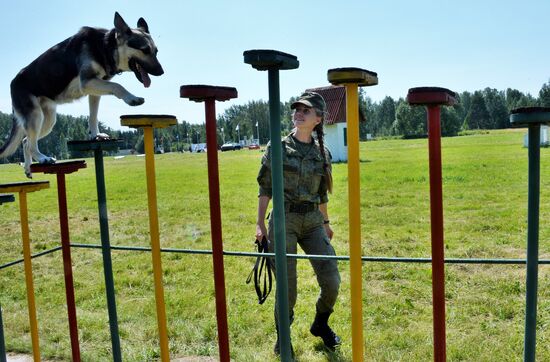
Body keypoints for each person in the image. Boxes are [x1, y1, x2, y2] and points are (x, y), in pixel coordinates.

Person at [255, 91, 341, 355]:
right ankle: (284, 338)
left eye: (306, 110)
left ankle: (321, 323)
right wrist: (260, 224)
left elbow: (322, 192)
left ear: (318, 119)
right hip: (285, 219)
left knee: (332, 280)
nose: (299, 113)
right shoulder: (278, 148)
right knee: (287, 287)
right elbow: (265, 187)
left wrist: (325, 221)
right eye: (297, 109)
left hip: (314, 220)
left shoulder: (322, 152)